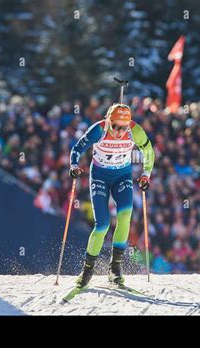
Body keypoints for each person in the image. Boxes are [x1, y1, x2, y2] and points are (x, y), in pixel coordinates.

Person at [69, 103, 155, 288]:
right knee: (102, 225)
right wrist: (74, 165)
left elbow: (148, 152)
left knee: (125, 217)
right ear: (109, 121)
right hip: (100, 176)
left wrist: (146, 174)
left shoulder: (135, 130)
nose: (118, 131)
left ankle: (115, 268)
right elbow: (77, 148)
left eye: (123, 127)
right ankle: (87, 270)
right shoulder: (99, 129)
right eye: (115, 126)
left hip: (122, 175)